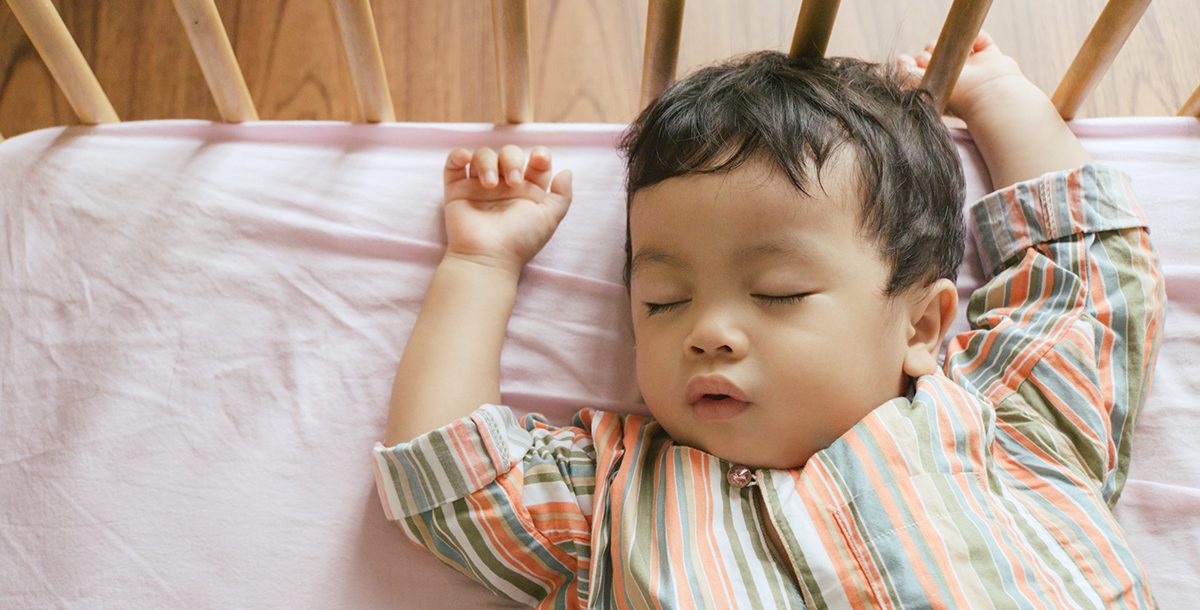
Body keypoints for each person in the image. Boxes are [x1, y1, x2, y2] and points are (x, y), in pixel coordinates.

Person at [373, 32, 1165, 608]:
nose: (708, 331)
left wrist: (999, 103)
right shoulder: (615, 501)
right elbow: (451, 480)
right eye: (663, 301)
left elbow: (1087, 274)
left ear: (922, 327)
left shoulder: (1007, 425)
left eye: (780, 292)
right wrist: (480, 263)